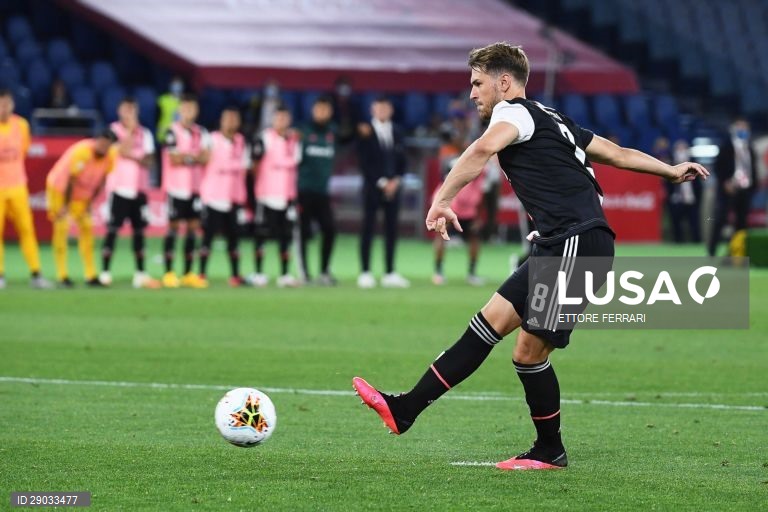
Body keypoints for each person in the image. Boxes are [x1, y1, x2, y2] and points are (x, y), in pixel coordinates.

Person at [352, 42, 708, 470]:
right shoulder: (551, 117)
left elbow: (481, 151)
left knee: (528, 353)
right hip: (561, 244)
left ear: (504, 82)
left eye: (477, 83)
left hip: (576, 243)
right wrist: (669, 170)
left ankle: (549, 451)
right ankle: (405, 409)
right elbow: (617, 154)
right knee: (485, 326)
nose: (471, 93)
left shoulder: (513, 113)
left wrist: (441, 198)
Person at [100, 96, 160, 289]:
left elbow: (150, 160)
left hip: (140, 189)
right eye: (126, 110)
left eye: (132, 110)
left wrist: (134, 154)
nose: (129, 114)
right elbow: (121, 151)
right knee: (112, 230)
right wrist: (133, 139)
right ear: (119, 112)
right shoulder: (112, 130)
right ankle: (106, 272)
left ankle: (140, 273)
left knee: (139, 231)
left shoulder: (146, 133)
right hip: (119, 188)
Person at [46, 129, 117, 287]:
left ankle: (90, 275)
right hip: (59, 190)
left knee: (86, 228)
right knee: (62, 228)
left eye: (107, 146)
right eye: (101, 144)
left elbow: (102, 181)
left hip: (82, 194)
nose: (103, 148)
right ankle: (62, 275)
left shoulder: (110, 157)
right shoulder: (82, 152)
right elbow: (71, 180)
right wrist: (65, 206)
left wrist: (90, 203)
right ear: (95, 141)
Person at [356, 96, 410, 289]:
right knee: (368, 229)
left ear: (391, 110)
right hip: (372, 189)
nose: (382, 111)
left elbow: (403, 161)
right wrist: (381, 182)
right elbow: (364, 162)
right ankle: (365, 272)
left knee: (391, 230)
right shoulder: (365, 132)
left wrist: (396, 181)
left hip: (393, 189)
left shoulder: (397, 132)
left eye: (385, 108)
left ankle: (389, 272)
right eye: (379, 108)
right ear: (373, 109)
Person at [0, 88, 51, 289]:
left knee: (27, 230)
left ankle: (36, 273)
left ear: (13, 105)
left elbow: (23, 150)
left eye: (7, 104)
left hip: (18, 186)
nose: (4, 108)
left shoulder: (21, 125)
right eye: (1, 104)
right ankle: (1, 275)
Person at [249, 104, 301, 288]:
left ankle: (285, 274)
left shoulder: (294, 140)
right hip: (266, 195)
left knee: (285, 236)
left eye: (285, 118)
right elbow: (254, 165)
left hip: (286, 195)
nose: (282, 121)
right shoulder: (264, 138)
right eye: (278, 118)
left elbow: (296, 164)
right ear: (272, 119)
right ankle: (258, 272)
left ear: (289, 120)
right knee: (261, 234)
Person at [160, 93, 209, 289]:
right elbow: (173, 159)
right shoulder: (171, 131)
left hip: (195, 188)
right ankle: (169, 272)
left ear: (196, 110)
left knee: (192, 229)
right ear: (180, 110)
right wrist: (194, 158)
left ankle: (189, 272)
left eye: (192, 108)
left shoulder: (202, 132)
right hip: (176, 188)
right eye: (185, 108)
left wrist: (186, 157)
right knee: (172, 229)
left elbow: (207, 158)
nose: (189, 112)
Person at [198, 107, 249, 287]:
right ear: (221, 121)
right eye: (227, 118)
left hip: (233, 196)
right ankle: (201, 274)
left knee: (234, 238)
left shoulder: (241, 141)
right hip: (213, 196)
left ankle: (235, 275)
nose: (231, 122)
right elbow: (201, 159)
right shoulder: (211, 139)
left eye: (234, 118)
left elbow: (244, 168)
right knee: (208, 237)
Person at [297, 95, 337, 285]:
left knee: (329, 229)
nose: (322, 113)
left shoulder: (332, 132)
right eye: (319, 109)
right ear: (313, 110)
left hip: (322, 191)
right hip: (303, 191)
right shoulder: (302, 132)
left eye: (325, 109)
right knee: (303, 232)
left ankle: (323, 271)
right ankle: (304, 273)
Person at [707, 117, 758, 257]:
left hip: (744, 190)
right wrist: (725, 182)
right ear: (734, 128)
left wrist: (752, 187)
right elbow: (718, 167)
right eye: (740, 126)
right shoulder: (726, 146)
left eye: (745, 127)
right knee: (720, 220)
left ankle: (736, 252)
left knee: (741, 223)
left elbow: (752, 169)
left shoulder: (749, 148)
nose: (743, 130)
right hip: (728, 190)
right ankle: (711, 251)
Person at [156, 75, 184, 141]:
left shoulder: (185, 101)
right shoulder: (162, 99)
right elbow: (155, 116)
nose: (176, 86)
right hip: (163, 134)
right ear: (170, 85)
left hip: (180, 136)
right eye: (174, 84)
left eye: (179, 84)